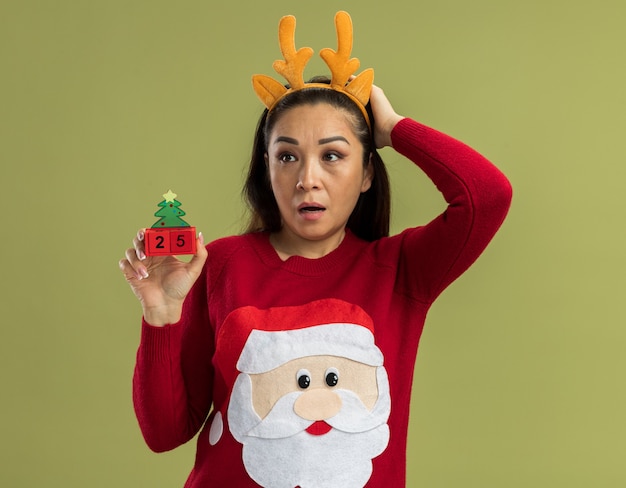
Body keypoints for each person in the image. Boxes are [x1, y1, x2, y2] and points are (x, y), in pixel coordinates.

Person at [119, 11, 512, 488]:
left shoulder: (399, 270)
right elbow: (164, 434)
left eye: (333, 155)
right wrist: (161, 315)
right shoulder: (221, 263)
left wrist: (392, 127)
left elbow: (487, 196)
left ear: (366, 173)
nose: (308, 178)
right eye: (287, 156)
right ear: (267, 170)